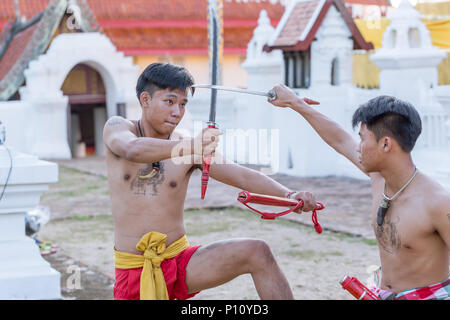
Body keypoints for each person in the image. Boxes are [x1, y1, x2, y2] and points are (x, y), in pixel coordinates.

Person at [103, 63, 317, 300]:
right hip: (133, 268)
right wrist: (193, 146)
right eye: (170, 101)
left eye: (183, 104)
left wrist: (289, 196)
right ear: (145, 99)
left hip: (180, 262)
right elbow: (132, 150)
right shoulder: (118, 127)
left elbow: (242, 175)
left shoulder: (189, 143)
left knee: (257, 251)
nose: (177, 112)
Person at [269, 84, 450, 300]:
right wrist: (295, 103)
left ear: (385, 144)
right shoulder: (379, 178)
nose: (357, 146)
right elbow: (339, 139)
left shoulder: (437, 203)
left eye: (363, 138)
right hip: (380, 292)